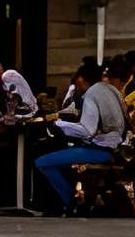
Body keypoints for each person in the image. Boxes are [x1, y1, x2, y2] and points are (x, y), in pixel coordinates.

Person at [32, 59, 129, 214]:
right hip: (114, 147)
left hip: (98, 150)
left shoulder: (91, 95)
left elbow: (87, 130)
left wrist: (59, 124)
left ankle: (69, 201)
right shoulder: (110, 90)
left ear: (80, 79)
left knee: (42, 162)